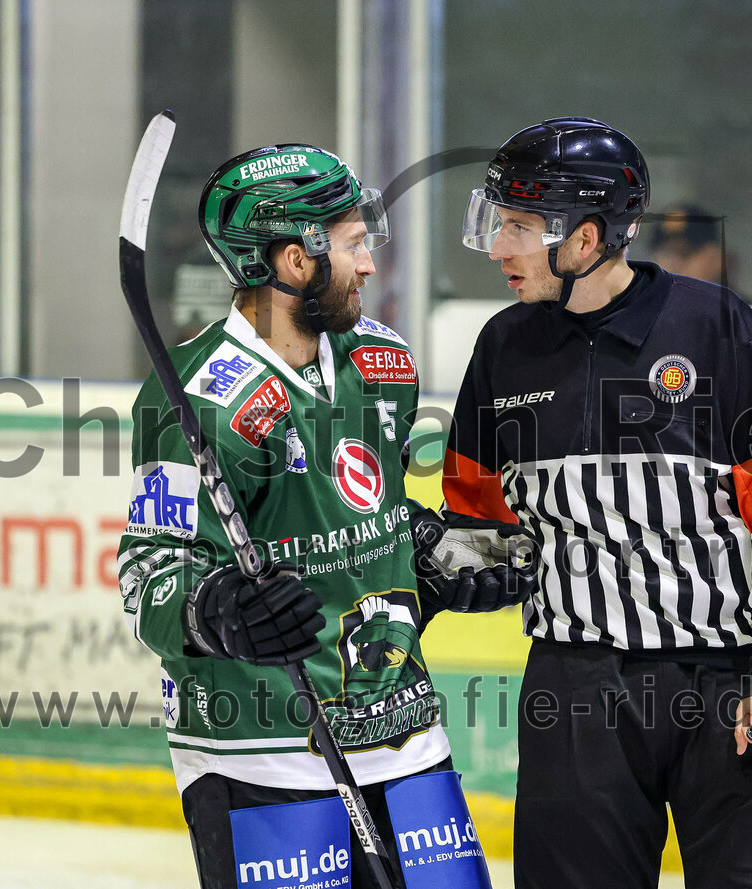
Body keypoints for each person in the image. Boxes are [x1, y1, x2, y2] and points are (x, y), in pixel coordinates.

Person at [117, 143, 532, 889]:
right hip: (259, 745)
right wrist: (215, 609)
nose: (369, 263)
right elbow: (150, 572)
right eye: (351, 244)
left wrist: (426, 551)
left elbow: (365, 506)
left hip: (402, 731)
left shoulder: (383, 361)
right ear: (291, 261)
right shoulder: (197, 395)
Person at [445, 118, 752, 889]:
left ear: (585, 239)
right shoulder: (501, 348)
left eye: (517, 226)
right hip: (574, 695)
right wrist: (413, 554)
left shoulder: (720, 330)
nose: (497, 248)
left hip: (730, 682)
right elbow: (480, 534)